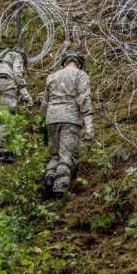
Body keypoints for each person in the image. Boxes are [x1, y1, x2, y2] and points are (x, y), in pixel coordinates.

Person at [42, 51, 93, 198]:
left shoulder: (52, 77)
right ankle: (59, 191)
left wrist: (42, 123)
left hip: (51, 119)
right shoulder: (80, 75)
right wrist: (89, 127)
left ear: (64, 62)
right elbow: (84, 100)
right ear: (80, 63)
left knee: (55, 154)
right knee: (67, 156)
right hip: (70, 119)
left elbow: (45, 103)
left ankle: (49, 179)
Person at [0, 48, 34, 163]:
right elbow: (17, 74)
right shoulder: (16, 55)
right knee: (7, 113)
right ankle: (3, 152)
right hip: (5, 81)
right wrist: (26, 95)